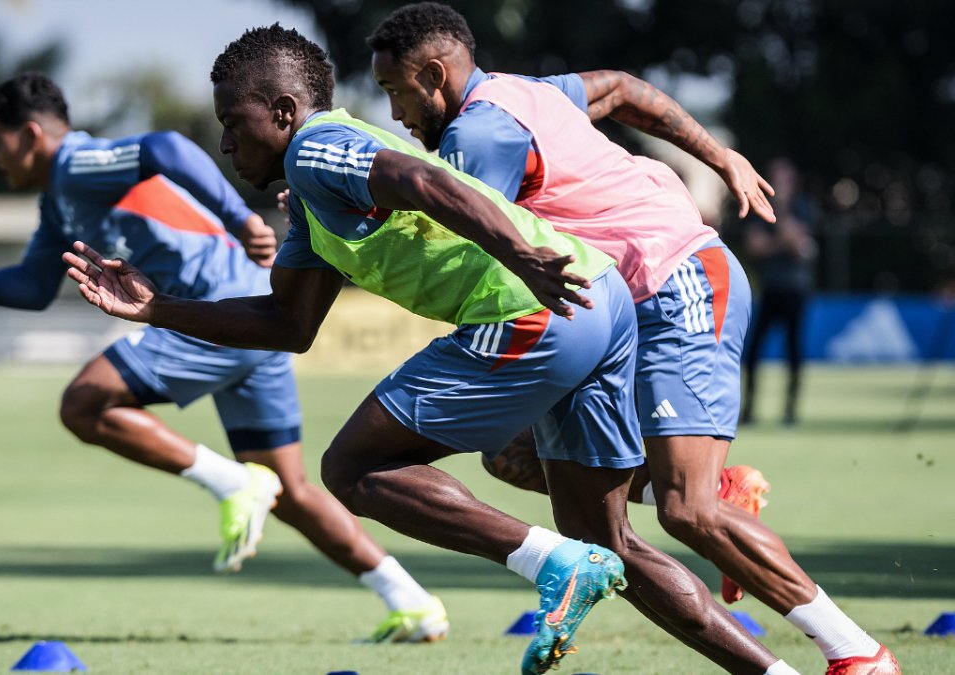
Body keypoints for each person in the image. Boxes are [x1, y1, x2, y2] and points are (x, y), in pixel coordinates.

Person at [64, 24, 797, 675]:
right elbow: (288, 324)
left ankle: (555, 563)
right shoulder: (314, 197)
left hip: (535, 308)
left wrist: (520, 253)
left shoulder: (318, 149)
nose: (225, 143)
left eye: (233, 123)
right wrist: (157, 307)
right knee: (617, 546)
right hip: (594, 300)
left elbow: (417, 179)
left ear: (284, 113)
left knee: (351, 466)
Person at [364, 4, 897, 674]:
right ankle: (726, 514)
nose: (394, 112)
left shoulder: (480, 134)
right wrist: (717, 152)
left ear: (434, 74)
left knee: (686, 510)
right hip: (610, 310)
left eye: (394, 90)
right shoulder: (527, 90)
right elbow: (619, 86)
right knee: (518, 464)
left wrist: (345, 206)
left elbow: (463, 241)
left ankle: (857, 652)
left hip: (677, 282)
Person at [0, 72, 449, 644]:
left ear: (30, 135)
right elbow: (32, 287)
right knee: (290, 490)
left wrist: (240, 216)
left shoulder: (76, 164)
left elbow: (167, 148)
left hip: (211, 311)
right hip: (250, 317)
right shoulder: (58, 203)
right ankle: (411, 601)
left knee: (84, 404)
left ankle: (231, 483)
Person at [741, 158, 818, 427]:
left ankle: (790, 410)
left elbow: (799, 244)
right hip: (769, 290)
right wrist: (781, 243)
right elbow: (755, 247)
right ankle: (749, 409)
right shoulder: (759, 207)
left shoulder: (803, 207)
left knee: (793, 352)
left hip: (796, 291)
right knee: (752, 353)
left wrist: (782, 211)